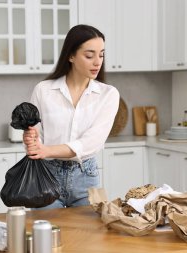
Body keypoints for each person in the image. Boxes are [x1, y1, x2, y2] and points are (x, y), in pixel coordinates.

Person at [23, 24, 120, 210]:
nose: (97, 62)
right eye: (89, 55)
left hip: (87, 177)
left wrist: (47, 150)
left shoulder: (109, 94)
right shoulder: (43, 90)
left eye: (101, 55)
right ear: (71, 56)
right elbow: (36, 134)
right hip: (46, 175)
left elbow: (93, 141)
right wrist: (31, 140)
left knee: (91, 236)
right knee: (46, 235)